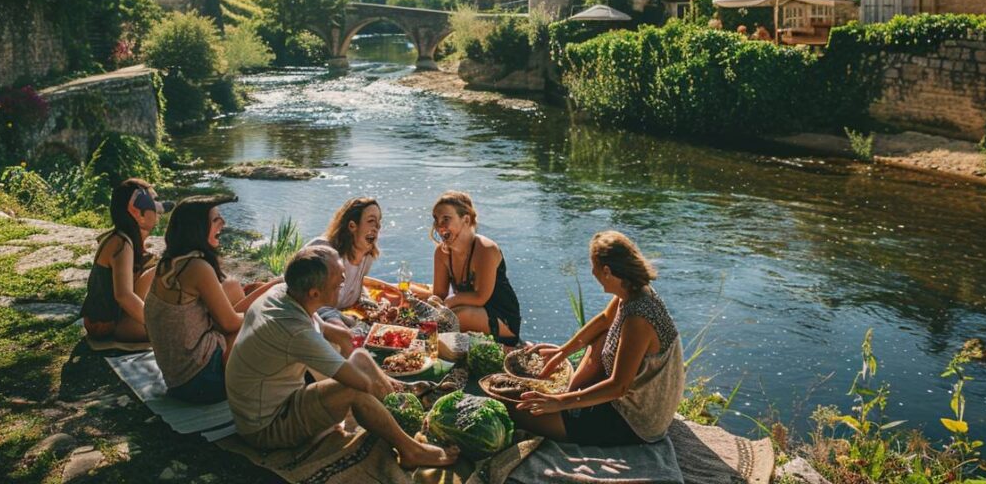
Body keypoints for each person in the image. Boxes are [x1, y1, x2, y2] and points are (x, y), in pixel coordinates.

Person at [225, 245, 458, 469]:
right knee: (354, 389)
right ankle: (410, 451)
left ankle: (402, 415)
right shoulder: (295, 330)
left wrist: (351, 347)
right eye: (338, 280)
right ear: (315, 293)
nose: (343, 281)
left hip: (269, 402)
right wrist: (376, 382)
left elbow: (327, 330)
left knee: (360, 358)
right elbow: (359, 383)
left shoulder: (283, 293)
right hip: (267, 426)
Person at [512, 230, 684, 445]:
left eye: (593, 266)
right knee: (603, 332)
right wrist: (562, 351)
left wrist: (559, 402)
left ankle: (571, 408)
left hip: (636, 421)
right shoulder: (633, 290)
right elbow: (604, 320)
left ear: (607, 271)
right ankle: (573, 400)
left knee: (516, 412)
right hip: (632, 397)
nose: (592, 272)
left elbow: (618, 387)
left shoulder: (637, 319)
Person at [143, 195, 269, 404]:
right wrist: (261, 312)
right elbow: (229, 324)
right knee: (257, 329)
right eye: (215, 220)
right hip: (201, 384)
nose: (224, 224)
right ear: (197, 228)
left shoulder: (170, 262)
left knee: (235, 294)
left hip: (178, 381)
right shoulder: (197, 267)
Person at [430, 191, 521, 343]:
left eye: (446, 219)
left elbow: (480, 298)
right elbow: (439, 294)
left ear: (465, 219)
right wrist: (434, 301)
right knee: (436, 317)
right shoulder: (441, 252)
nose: (439, 226)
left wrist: (450, 301)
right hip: (468, 311)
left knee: (454, 318)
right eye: (436, 219)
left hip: (502, 319)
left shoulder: (485, 249)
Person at [80, 178, 164, 342]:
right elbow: (124, 296)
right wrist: (154, 326)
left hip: (114, 321)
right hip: (107, 326)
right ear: (136, 211)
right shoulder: (121, 244)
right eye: (153, 200)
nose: (159, 207)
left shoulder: (125, 239)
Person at [305, 197, 400, 326]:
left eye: (379, 221)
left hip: (333, 323)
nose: (378, 226)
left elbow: (352, 292)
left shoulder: (367, 259)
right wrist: (351, 323)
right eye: (371, 221)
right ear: (352, 226)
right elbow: (308, 301)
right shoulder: (323, 250)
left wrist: (377, 307)